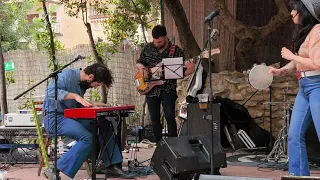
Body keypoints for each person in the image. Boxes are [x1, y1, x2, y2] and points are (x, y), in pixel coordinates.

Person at [42, 63, 133, 179]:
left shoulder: (82, 85)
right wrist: (75, 96)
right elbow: (50, 92)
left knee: (104, 124)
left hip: (70, 117)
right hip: (55, 118)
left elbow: (73, 106)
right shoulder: (65, 75)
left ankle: (112, 167)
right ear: (90, 77)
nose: (95, 87)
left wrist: (92, 104)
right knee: (88, 138)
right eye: (97, 84)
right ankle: (55, 168)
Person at [269, 0, 320, 176]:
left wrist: (293, 56)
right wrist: (282, 70)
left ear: (305, 12)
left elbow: (317, 63)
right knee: (294, 135)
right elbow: (299, 59)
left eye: (294, 10)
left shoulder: (318, 31)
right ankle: (298, 176)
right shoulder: (306, 33)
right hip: (304, 88)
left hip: (317, 87)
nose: (291, 13)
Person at [136, 25, 195, 143]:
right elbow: (139, 62)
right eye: (155, 41)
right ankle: (158, 145)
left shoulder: (176, 50)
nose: (157, 44)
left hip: (168, 88)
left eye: (160, 41)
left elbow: (182, 71)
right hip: (151, 89)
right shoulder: (148, 48)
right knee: (154, 119)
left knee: (169, 116)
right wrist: (142, 68)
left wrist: (191, 68)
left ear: (165, 37)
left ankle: (174, 144)